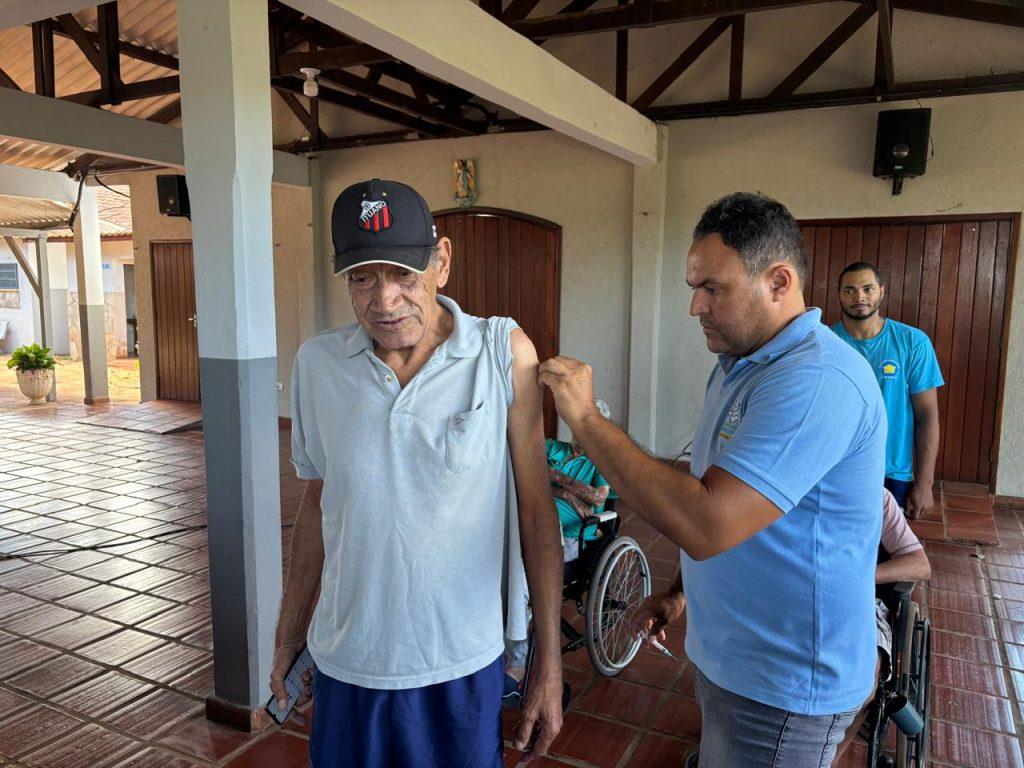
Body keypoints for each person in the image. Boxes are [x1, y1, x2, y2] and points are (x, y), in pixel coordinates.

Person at [538, 192, 887, 768]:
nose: (694, 306)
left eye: (712, 289)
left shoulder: (817, 380)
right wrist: (680, 593)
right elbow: (718, 494)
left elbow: (707, 521)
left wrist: (587, 420)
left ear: (778, 282)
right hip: (733, 660)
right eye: (693, 287)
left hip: (783, 685)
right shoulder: (739, 366)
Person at [270, 179, 565, 767]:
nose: (384, 301)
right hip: (348, 660)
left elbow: (537, 513)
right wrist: (288, 636)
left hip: (460, 664)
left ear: (442, 263)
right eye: (362, 278)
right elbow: (318, 505)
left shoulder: (500, 353)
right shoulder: (318, 364)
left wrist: (548, 664)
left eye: (403, 275)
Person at [504, 400, 615, 706]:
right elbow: (523, 472)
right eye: (575, 425)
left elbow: (597, 497)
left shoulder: (600, 462)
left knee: (521, 581)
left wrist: (551, 476)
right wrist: (565, 490)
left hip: (568, 538)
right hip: (529, 526)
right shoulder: (553, 447)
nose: (580, 433)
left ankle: (517, 662)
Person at [832, 262, 944, 518]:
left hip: (891, 473)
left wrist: (925, 484)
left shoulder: (913, 342)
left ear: (882, 291)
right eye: (849, 290)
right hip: (836, 469)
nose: (859, 297)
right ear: (838, 295)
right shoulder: (825, 342)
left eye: (867, 289)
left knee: (886, 543)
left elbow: (927, 415)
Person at [833, 487, 932, 764]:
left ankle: (831, 757)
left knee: (864, 681)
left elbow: (920, 565)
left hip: (863, 601)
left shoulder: (876, 497)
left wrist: (862, 576)